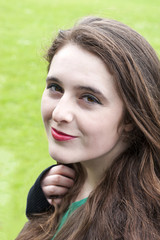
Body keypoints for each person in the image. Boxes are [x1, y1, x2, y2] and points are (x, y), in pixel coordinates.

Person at [16, 16, 160, 240]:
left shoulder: (131, 229)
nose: (59, 113)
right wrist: (40, 201)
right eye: (55, 87)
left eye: (89, 98)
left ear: (131, 118)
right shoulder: (66, 182)